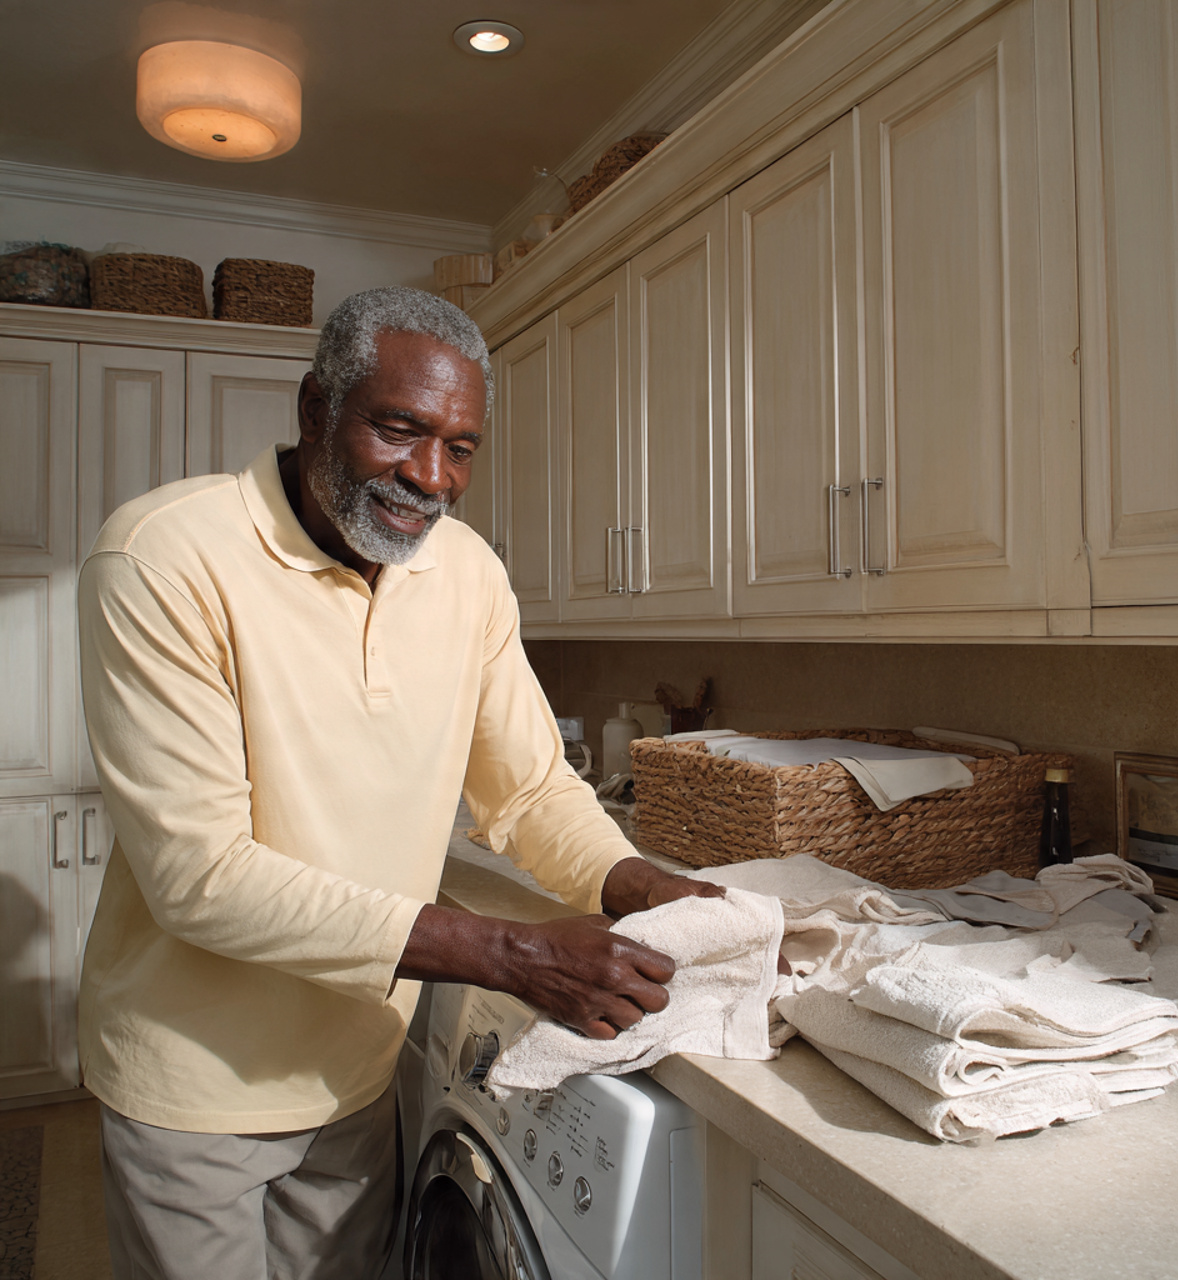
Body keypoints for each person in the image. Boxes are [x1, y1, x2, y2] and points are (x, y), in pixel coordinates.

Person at [77, 286, 722, 1279]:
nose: (429, 476)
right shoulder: (163, 557)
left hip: (355, 1070)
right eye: (398, 430)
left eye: (460, 445)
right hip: (194, 1086)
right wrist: (505, 950)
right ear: (313, 408)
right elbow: (198, 875)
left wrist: (638, 883)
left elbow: (530, 791)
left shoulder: (466, 574)